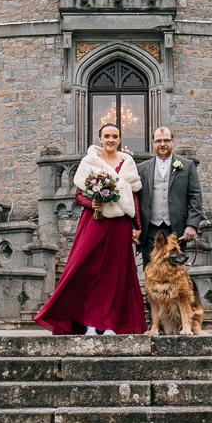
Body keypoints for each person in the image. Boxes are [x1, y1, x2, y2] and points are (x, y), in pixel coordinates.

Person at [33, 122, 147, 335]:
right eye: (107, 136)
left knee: (116, 274)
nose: (111, 140)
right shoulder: (89, 162)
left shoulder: (128, 162)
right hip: (95, 221)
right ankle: (90, 323)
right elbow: (78, 195)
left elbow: (134, 197)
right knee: (85, 268)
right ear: (100, 139)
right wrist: (91, 203)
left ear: (120, 140)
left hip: (120, 224)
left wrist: (137, 226)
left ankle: (111, 323)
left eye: (115, 136)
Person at [135, 126, 203, 264]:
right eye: (159, 141)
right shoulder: (141, 168)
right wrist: (135, 227)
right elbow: (134, 200)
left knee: (176, 274)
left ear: (173, 141)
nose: (162, 144)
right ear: (153, 142)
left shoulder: (187, 166)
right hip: (149, 230)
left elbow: (195, 196)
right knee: (152, 274)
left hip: (177, 229)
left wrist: (192, 225)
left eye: (166, 140)